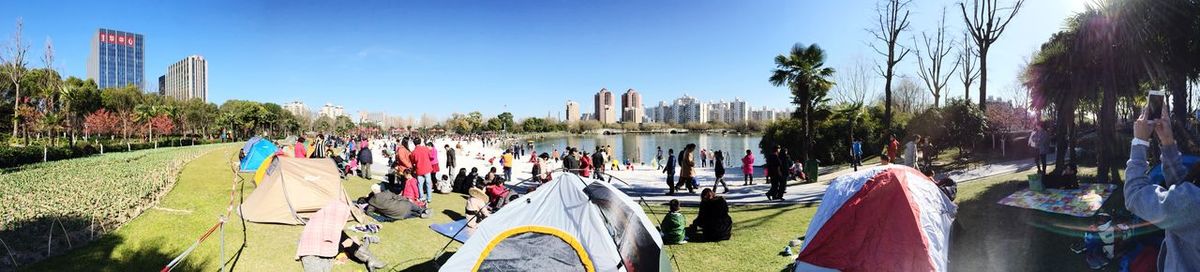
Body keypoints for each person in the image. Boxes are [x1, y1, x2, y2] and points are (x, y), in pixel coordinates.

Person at [1126, 107, 1200, 271]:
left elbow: (1134, 194)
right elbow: (1184, 192)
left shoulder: (1194, 204)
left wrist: (1139, 142)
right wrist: (1168, 143)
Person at [411, 138, 434, 204]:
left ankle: (421, 197)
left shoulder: (413, 152)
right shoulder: (425, 148)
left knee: (420, 184)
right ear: (420, 142)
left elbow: (413, 162)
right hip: (427, 168)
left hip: (419, 169)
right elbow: (431, 156)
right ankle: (429, 198)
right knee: (428, 183)